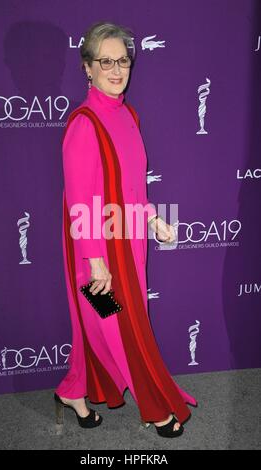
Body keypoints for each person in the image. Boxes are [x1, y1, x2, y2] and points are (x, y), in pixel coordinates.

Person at [54, 21, 197, 438]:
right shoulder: (84, 124)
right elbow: (81, 203)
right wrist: (96, 264)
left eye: (123, 61)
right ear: (87, 68)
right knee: (115, 325)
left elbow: (133, 185)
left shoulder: (128, 114)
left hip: (129, 240)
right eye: (106, 62)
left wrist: (152, 219)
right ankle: (152, 405)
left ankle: (73, 391)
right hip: (95, 252)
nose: (117, 70)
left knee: (99, 325)